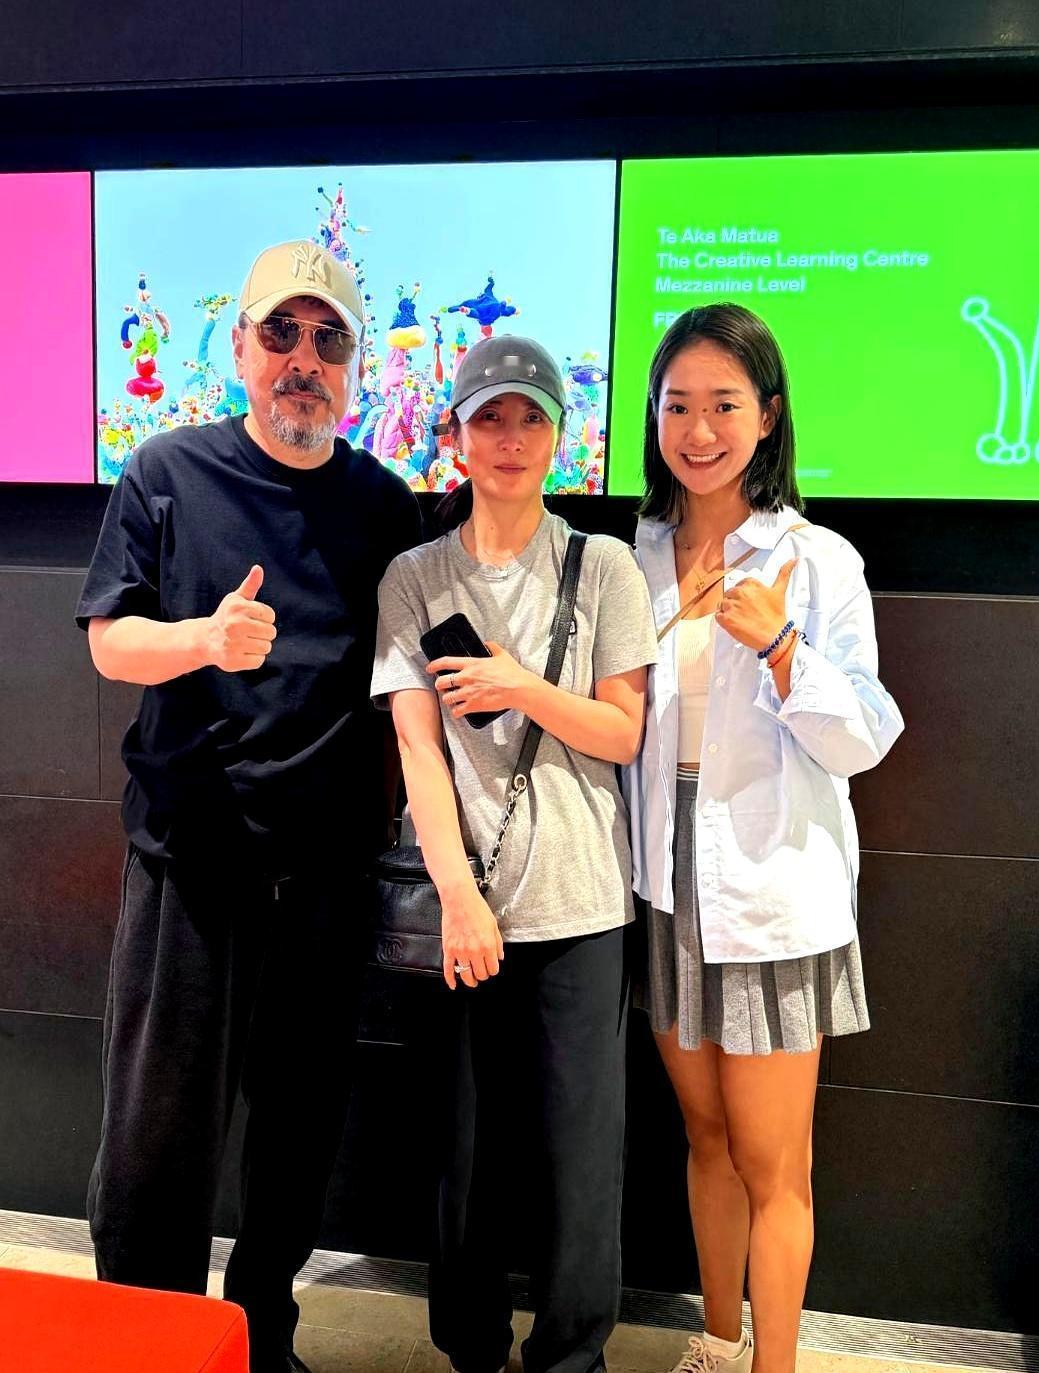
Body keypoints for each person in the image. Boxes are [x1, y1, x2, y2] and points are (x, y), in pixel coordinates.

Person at [75, 240, 422, 1373]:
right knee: (157, 1141)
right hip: (192, 866)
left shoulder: (384, 505)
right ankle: (148, 1346)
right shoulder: (166, 471)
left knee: (296, 1135)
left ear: (353, 366)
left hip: (324, 879)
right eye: (281, 332)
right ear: (240, 347)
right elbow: (109, 641)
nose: (303, 359)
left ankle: (260, 1337)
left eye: (328, 339)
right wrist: (204, 639)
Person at [623, 305, 904, 1373]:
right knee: (705, 1139)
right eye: (677, 405)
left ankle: (773, 1365)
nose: (698, 430)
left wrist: (782, 646)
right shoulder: (635, 556)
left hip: (772, 884)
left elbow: (865, 735)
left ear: (769, 414)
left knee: (773, 1161)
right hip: (666, 879)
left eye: (724, 405)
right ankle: (716, 1342)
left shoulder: (818, 560)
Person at [371, 334, 658, 1373]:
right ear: (454, 436)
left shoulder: (604, 565)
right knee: (465, 1154)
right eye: (488, 416)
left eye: (530, 416)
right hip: (468, 908)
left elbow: (622, 732)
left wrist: (519, 686)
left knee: (582, 1161)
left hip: (582, 905)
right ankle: (472, 1349)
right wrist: (457, 895)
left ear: (558, 438)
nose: (509, 437)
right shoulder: (413, 576)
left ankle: (571, 1357)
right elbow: (417, 746)